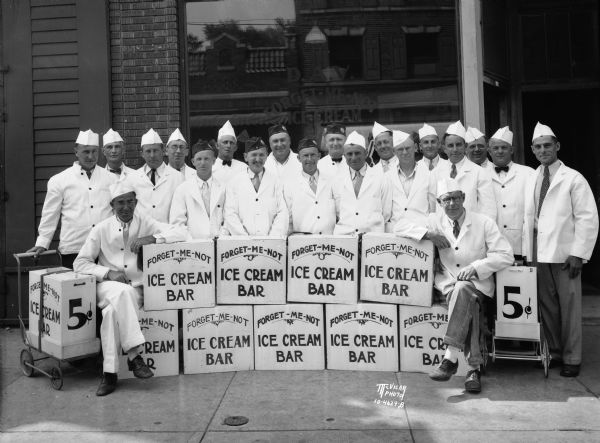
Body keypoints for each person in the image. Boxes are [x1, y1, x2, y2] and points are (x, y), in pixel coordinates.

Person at [396, 179, 513, 393]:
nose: (452, 204)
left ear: (464, 199)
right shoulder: (433, 221)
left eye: (456, 198)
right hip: (449, 284)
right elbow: (400, 225)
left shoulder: (483, 222)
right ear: (440, 203)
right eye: (447, 199)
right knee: (468, 303)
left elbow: (506, 255)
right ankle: (473, 370)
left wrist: (478, 267)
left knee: (464, 291)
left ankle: (450, 357)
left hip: (478, 283)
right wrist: (429, 235)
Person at [73, 180, 190, 396]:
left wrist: (153, 238)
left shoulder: (146, 222)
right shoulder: (101, 229)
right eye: (120, 203)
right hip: (107, 287)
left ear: (136, 202)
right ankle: (135, 355)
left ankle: (109, 375)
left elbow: (182, 233)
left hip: (136, 289)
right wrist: (108, 273)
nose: (126, 207)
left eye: (130, 202)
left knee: (110, 314)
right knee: (121, 294)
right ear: (112, 205)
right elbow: (80, 263)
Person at [522, 122, 599, 377]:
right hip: (539, 253)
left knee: (570, 307)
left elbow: (587, 217)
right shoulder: (533, 177)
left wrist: (579, 253)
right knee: (547, 308)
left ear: (557, 147)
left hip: (566, 255)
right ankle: (553, 352)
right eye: (538, 146)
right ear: (533, 150)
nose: (543, 150)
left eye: (547, 145)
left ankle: (572, 358)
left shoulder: (573, 178)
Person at [27, 129, 117, 268]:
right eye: (86, 152)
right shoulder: (59, 180)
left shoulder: (111, 179)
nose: (90, 156)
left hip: (105, 247)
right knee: (76, 288)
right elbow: (50, 214)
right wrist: (42, 243)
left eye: (94, 151)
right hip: (73, 248)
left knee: (107, 287)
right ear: (76, 151)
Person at [428, 121, 496, 220]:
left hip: (472, 230)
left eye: (458, 145)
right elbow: (432, 207)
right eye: (450, 145)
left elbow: (488, 209)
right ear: (444, 148)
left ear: (465, 146)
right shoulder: (435, 173)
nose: (455, 149)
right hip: (443, 231)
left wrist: (481, 232)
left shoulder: (479, 172)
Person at [224, 137, 288, 236]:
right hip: (243, 246)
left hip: (271, 245)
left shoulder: (276, 181)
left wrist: (272, 238)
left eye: (261, 155)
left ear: (267, 156)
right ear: (245, 157)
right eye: (254, 155)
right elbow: (230, 214)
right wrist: (245, 239)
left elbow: (282, 212)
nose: (257, 159)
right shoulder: (234, 182)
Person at [487, 126, 535, 259]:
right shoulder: (480, 174)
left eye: (504, 147)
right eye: (496, 148)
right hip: (491, 244)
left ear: (512, 150)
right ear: (489, 151)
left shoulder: (529, 173)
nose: (500, 151)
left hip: (520, 244)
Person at [332, 131, 391, 235]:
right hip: (345, 238)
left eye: (357, 153)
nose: (353, 157)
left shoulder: (381, 177)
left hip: (373, 237)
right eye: (349, 154)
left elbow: (386, 213)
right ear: (344, 156)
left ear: (366, 153)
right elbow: (336, 212)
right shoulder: (336, 179)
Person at [169, 140, 225, 239]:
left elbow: (228, 218)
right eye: (199, 159)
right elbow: (177, 223)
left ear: (214, 161)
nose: (203, 163)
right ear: (193, 162)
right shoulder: (182, 189)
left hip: (220, 244)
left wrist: (221, 237)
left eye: (207, 159)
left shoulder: (224, 188)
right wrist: (192, 241)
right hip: (194, 247)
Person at [128, 128, 183, 222]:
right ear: (142, 154)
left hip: (168, 234)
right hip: (142, 234)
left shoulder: (178, 177)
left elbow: (181, 211)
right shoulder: (132, 178)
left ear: (163, 151)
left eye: (155, 150)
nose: (152, 155)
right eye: (148, 151)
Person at [283, 138, 336, 234]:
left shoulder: (332, 181)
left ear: (319, 156)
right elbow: (287, 218)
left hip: (329, 241)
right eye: (305, 156)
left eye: (313, 155)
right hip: (303, 243)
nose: (310, 159)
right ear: (299, 158)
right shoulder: (290, 185)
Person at [385, 130, 431, 233]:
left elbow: (434, 210)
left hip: (423, 235)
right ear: (394, 152)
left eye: (408, 148)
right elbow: (385, 213)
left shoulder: (429, 175)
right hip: (396, 235)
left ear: (415, 148)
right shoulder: (387, 177)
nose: (405, 152)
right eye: (400, 149)